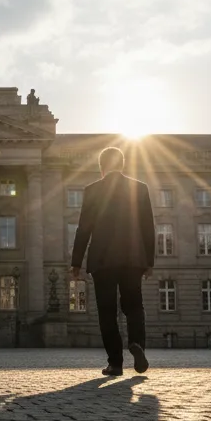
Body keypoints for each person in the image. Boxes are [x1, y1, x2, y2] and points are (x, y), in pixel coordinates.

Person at [70, 146, 156, 376]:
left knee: (107, 312)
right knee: (134, 306)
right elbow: (148, 226)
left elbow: (83, 229)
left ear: (101, 167)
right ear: (123, 164)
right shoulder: (139, 188)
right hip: (133, 258)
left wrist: (76, 262)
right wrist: (149, 260)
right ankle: (137, 343)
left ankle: (115, 363)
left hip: (103, 260)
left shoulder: (92, 190)